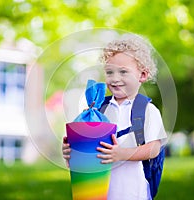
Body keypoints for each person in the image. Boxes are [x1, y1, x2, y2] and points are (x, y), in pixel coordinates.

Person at [62, 34, 167, 200]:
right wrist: (72, 151)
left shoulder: (148, 110)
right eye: (109, 72)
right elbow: (88, 149)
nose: (115, 78)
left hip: (134, 193)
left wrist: (122, 154)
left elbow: (154, 148)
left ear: (143, 75)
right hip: (100, 192)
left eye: (123, 72)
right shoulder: (98, 110)